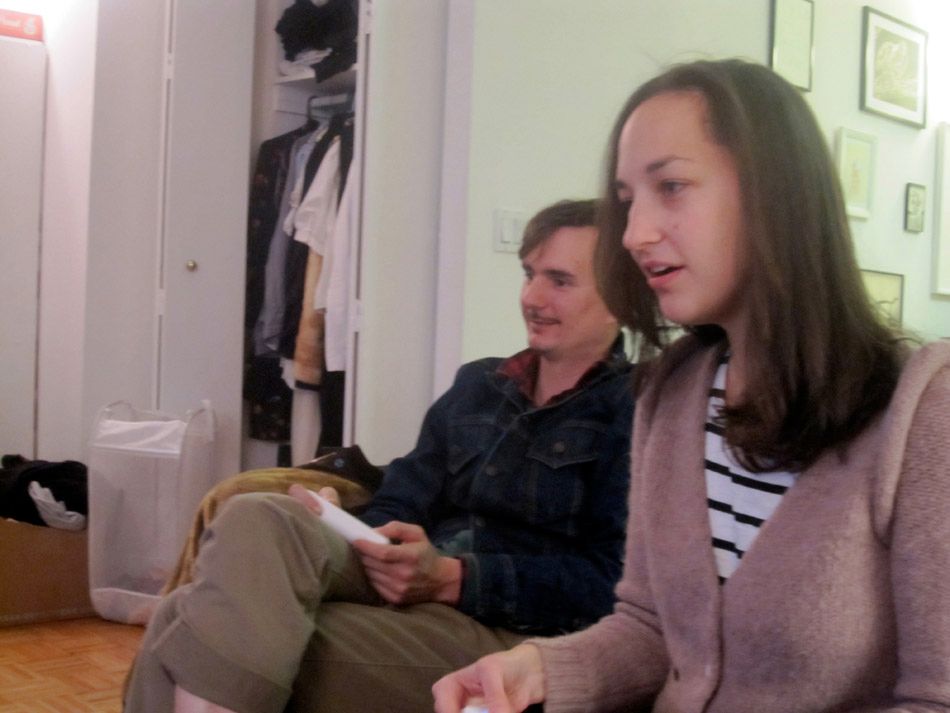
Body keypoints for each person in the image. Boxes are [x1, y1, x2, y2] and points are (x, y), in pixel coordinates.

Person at [433, 59, 950, 713]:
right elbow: (652, 630)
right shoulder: (671, 393)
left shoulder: (923, 410)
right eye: (628, 200)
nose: (633, 234)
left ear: (775, 193)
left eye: (672, 186)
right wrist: (537, 669)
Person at [123, 198, 635, 713]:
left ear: (620, 298)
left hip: (514, 635)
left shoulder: (636, 409)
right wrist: (350, 527)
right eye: (529, 274)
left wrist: (456, 579)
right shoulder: (479, 384)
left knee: (187, 618)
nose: (532, 297)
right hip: (407, 582)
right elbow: (405, 495)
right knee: (255, 515)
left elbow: (613, 585)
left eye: (559, 281)